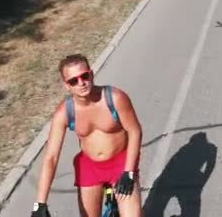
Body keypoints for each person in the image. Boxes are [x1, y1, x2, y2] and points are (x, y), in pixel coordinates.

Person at [31, 54, 143, 217]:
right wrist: (39, 204)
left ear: (91, 74)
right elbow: (51, 157)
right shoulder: (64, 112)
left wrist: (129, 172)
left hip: (121, 163)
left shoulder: (115, 98)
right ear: (67, 86)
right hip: (90, 167)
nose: (81, 83)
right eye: (73, 80)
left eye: (84, 76)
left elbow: (135, 131)